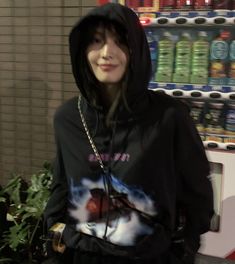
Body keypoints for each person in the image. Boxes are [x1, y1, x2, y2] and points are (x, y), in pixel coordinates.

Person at [43, 3, 214, 264]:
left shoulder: (169, 117)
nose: (106, 53)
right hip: (83, 256)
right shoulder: (68, 118)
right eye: (96, 41)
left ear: (136, 49)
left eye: (120, 42)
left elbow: (197, 195)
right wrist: (55, 245)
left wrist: (182, 251)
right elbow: (62, 187)